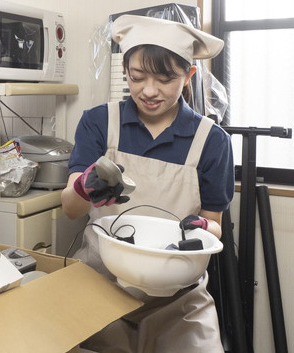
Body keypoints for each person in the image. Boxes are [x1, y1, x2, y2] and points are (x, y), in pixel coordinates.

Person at [60, 14, 234, 353]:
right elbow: (70, 209)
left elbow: (215, 227)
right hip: (99, 284)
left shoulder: (212, 141)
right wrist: (84, 187)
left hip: (178, 298)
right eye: (137, 77)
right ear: (125, 71)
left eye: (165, 79)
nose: (149, 91)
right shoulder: (99, 123)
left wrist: (202, 227)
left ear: (188, 76)